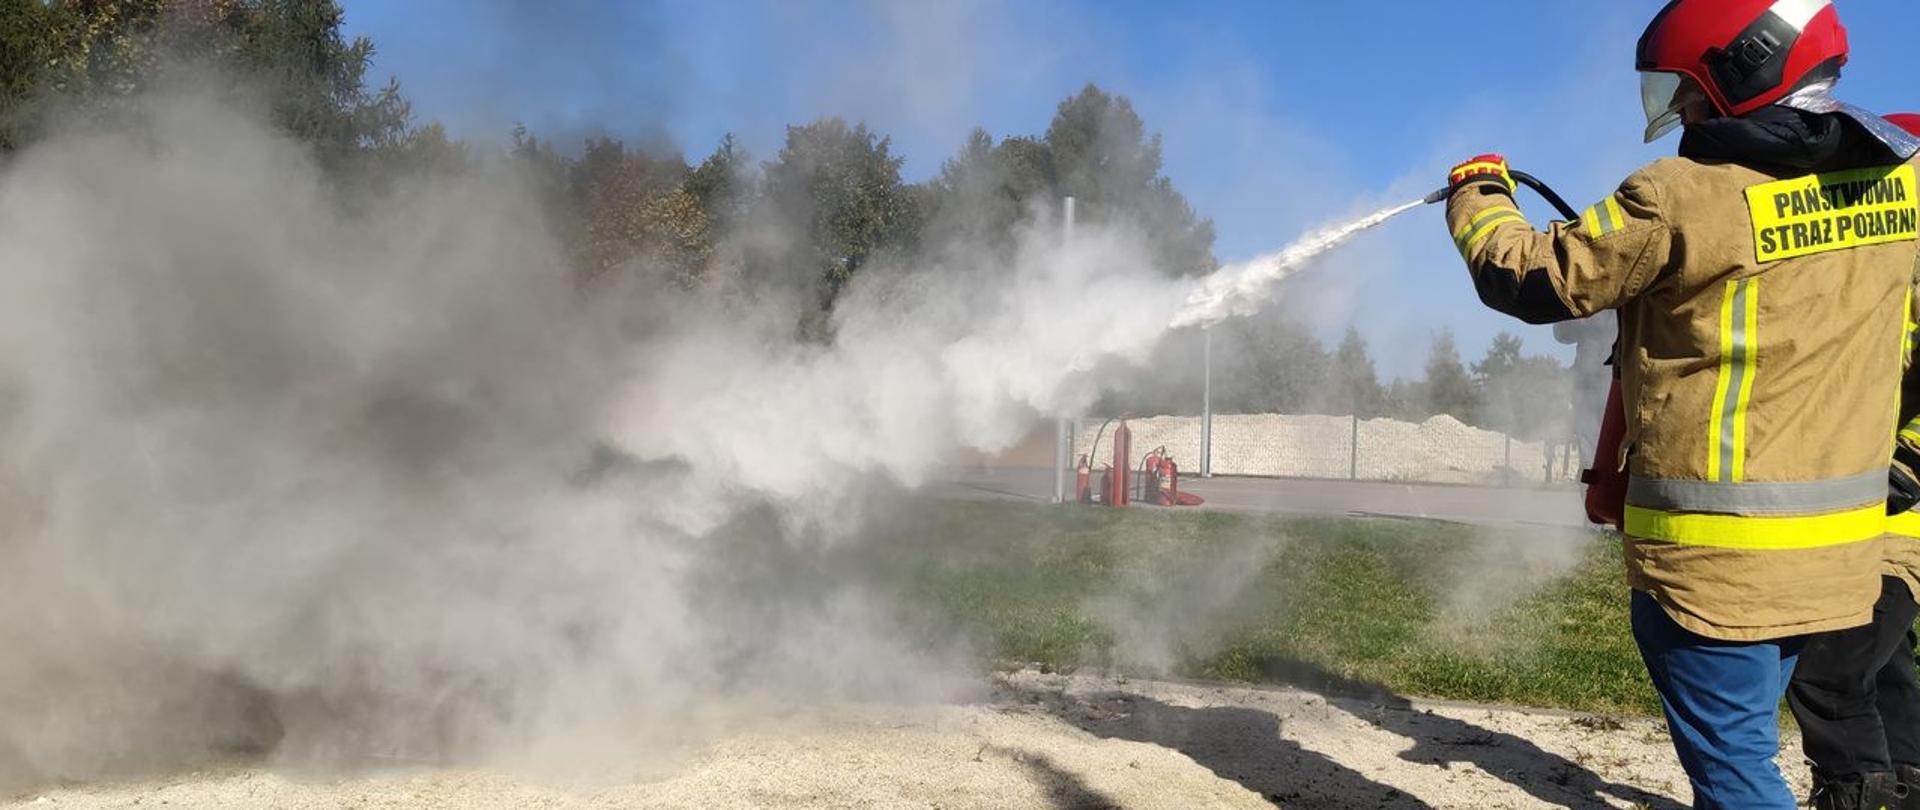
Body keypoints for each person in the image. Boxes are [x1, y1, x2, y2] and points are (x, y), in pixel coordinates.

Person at [1440, 1, 1920, 807]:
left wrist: (1479, 193)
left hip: (1716, 567)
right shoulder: (1898, 185)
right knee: (1754, 741)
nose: (1683, 108)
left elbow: (1527, 278)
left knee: (1737, 772)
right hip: (1839, 556)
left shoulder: (1681, 195)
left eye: (1688, 88)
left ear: (1745, 67)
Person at [1786, 111, 1920, 810]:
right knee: (1884, 665)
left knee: (1829, 670)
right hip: (1867, 509)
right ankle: (1906, 785)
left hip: (1900, 518)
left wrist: (1908, 462)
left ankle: (1855, 795)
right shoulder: (1876, 270)